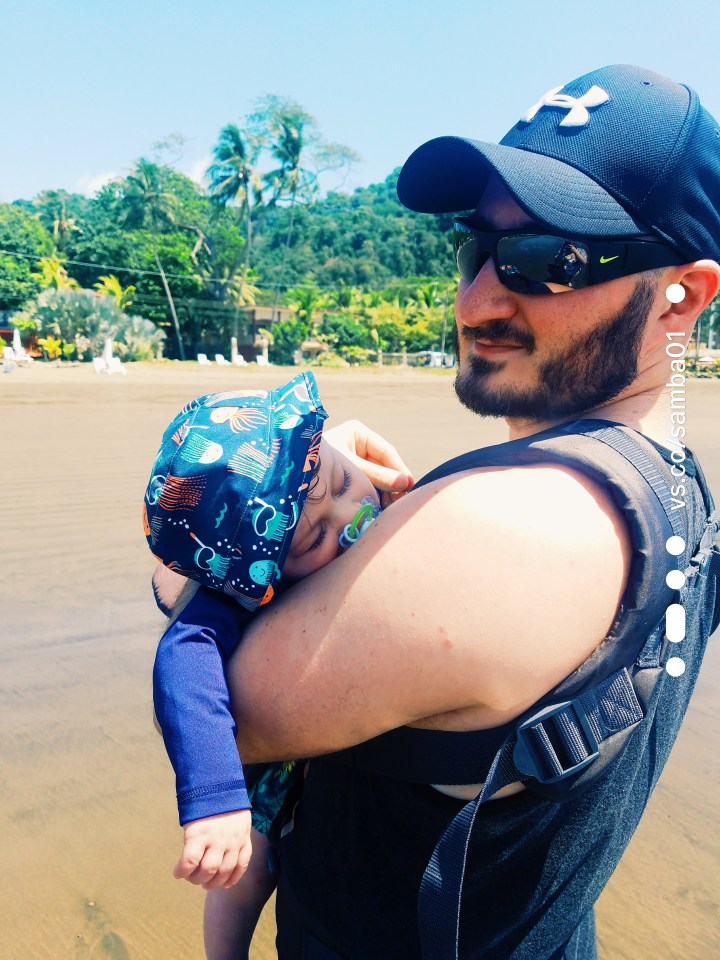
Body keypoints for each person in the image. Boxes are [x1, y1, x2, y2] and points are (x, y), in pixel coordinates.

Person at [190, 64, 720, 959]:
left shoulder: (508, 526)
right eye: (477, 248)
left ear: (685, 297)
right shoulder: (680, 488)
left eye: (550, 262)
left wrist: (219, 502)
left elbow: (206, 714)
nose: (478, 300)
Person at [144, 371, 412, 960]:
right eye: (314, 538)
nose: (349, 519)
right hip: (267, 760)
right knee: (250, 868)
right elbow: (182, 662)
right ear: (257, 570)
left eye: (342, 484)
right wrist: (215, 802)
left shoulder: (334, 474)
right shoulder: (232, 587)